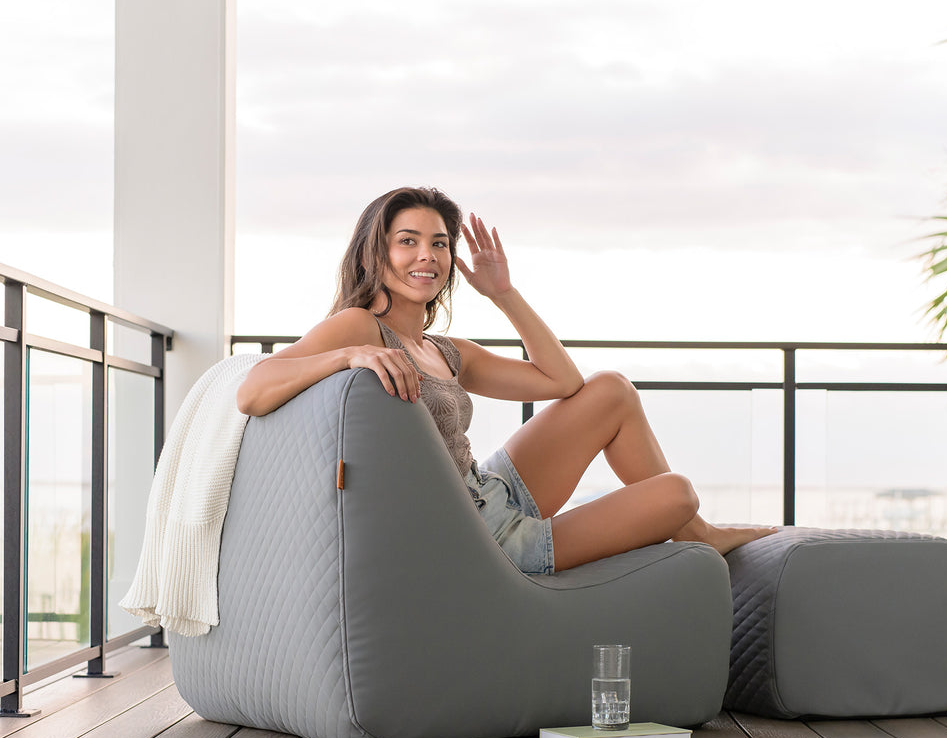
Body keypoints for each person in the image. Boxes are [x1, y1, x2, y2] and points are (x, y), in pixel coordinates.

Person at [237, 186, 776, 574]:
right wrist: (347, 354)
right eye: (408, 241)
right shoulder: (358, 327)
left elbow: (563, 381)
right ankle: (698, 532)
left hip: (491, 487)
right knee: (674, 493)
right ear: (375, 253)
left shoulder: (446, 351)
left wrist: (502, 293)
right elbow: (252, 390)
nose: (427, 255)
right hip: (484, 536)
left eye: (441, 243)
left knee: (610, 388)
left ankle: (700, 535)